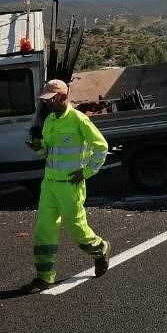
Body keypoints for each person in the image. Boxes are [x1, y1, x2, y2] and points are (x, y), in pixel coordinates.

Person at [21, 79, 112, 294]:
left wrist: (86, 172)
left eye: (51, 99)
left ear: (63, 97)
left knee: (78, 231)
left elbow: (101, 147)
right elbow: (48, 150)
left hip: (70, 186)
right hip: (49, 185)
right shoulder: (50, 120)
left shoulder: (79, 120)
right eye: (45, 100)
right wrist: (38, 147)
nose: (47, 103)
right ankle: (44, 278)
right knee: (43, 231)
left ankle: (101, 249)